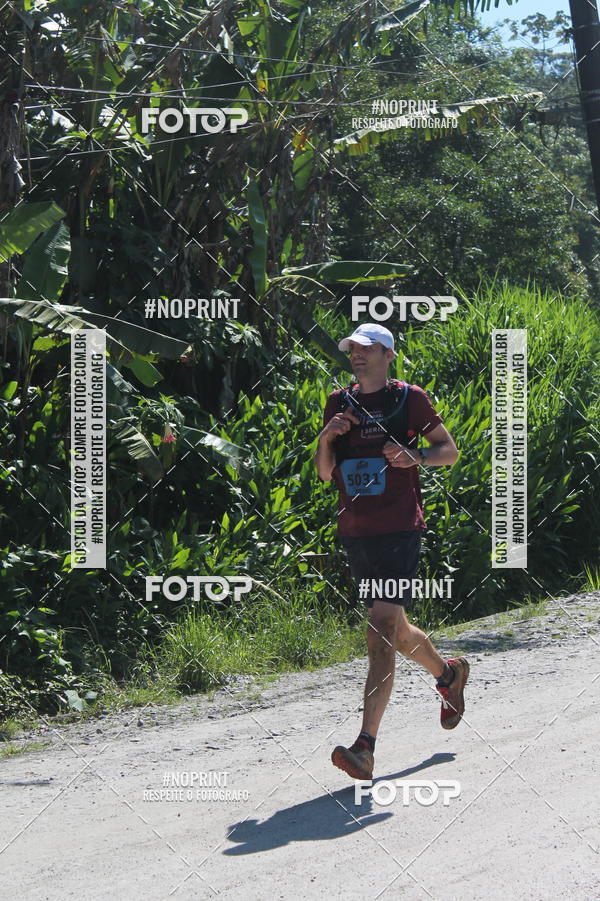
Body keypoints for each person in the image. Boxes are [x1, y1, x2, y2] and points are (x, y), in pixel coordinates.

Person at [314, 322, 469, 780]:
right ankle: (448, 675)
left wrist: (415, 455)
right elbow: (324, 473)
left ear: (388, 354)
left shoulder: (408, 399)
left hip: (399, 528)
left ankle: (365, 747)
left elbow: (449, 451)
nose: (356, 355)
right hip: (356, 531)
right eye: (352, 349)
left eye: (366, 348)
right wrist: (327, 437)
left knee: (380, 628)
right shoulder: (339, 402)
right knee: (396, 631)